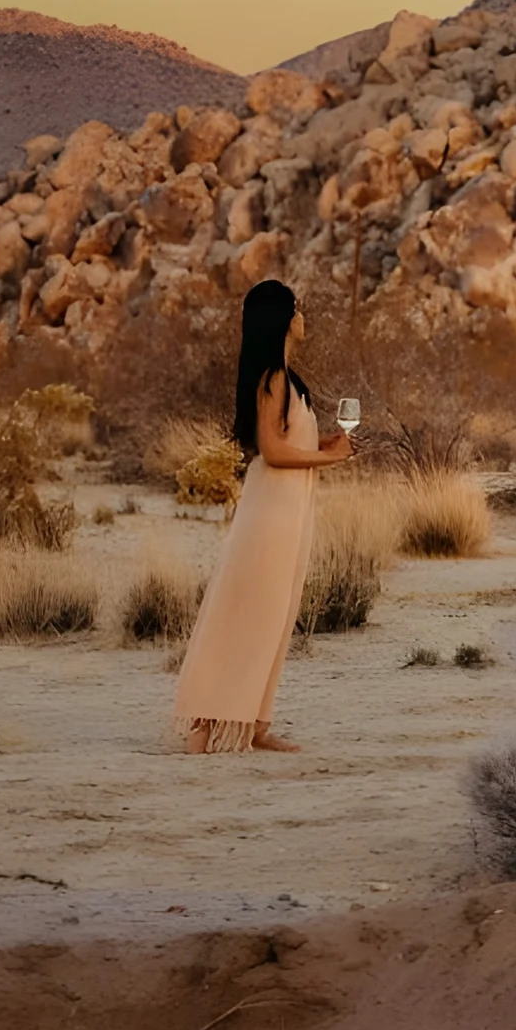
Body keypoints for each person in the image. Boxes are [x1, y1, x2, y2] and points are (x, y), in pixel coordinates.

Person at [172, 279, 352, 753]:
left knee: (275, 615)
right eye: (298, 308)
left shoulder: (288, 380)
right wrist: (331, 459)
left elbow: (288, 443)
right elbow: (273, 452)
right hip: (271, 512)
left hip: (289, 510)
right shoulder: (272, 378)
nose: (303, 316)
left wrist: (324, 445)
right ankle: (204, 728)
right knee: (247, 613)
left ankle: (255, 724)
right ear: (284, 319)